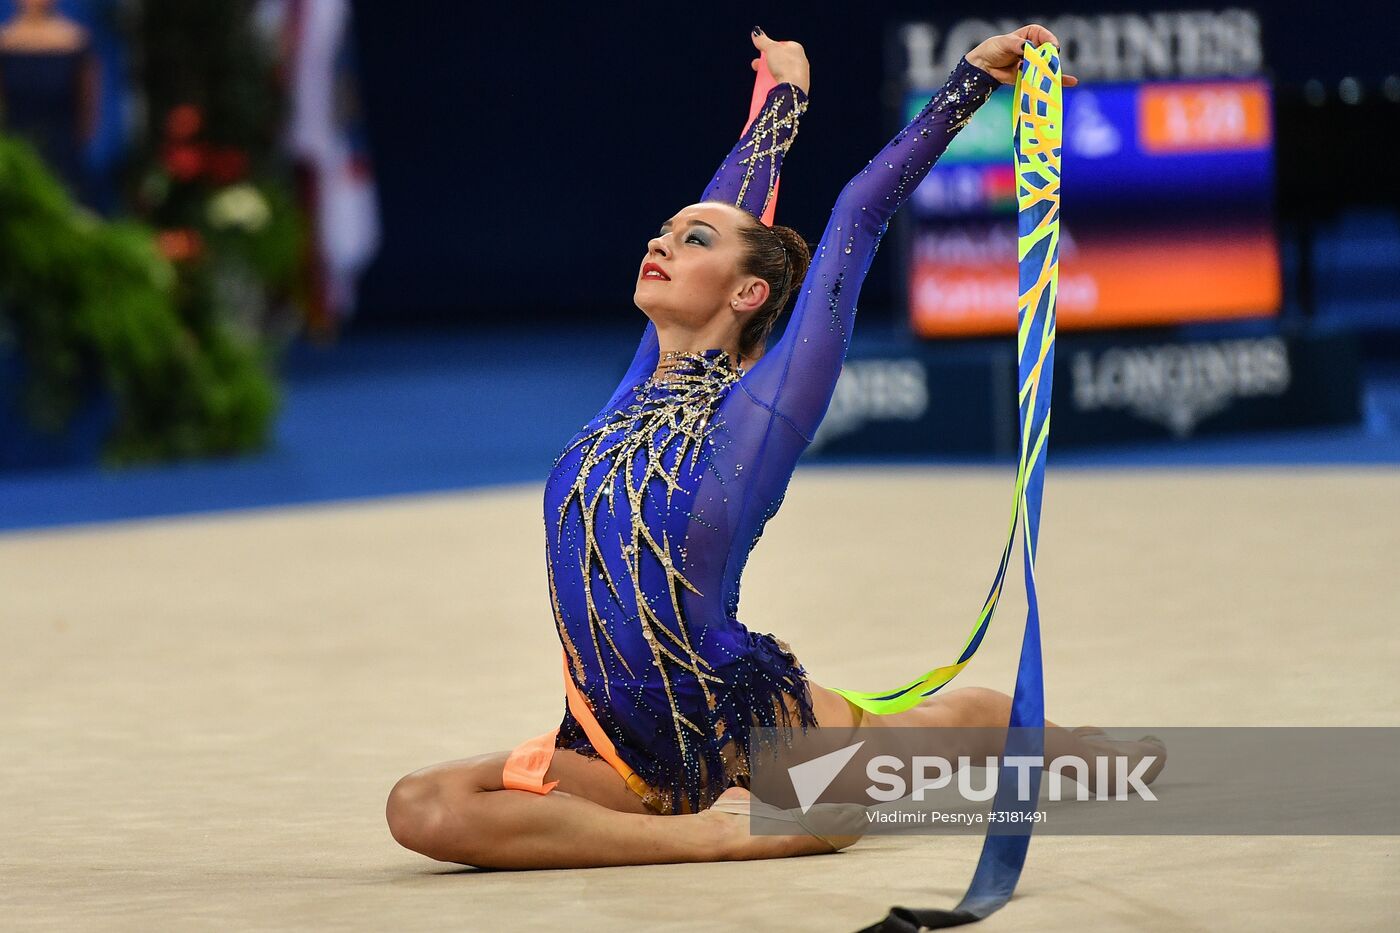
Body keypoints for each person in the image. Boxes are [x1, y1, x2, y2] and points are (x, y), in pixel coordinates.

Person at [386, 25, 1149, 869]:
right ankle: (706, 834)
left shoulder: (759, 413)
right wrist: (783, 100)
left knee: (935, 736)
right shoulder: (633, 394)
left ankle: (1057, 746)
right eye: (664, 232)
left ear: (750, 292)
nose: (660, 243)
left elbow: (860, 210)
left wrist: (967, 83)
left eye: (692, 240)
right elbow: (734, 204)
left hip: (746, 732)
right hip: (613, 753)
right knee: (419, 805)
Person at [0, 0, 98, 203]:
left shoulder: (76, 40)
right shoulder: (5, 43)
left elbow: (87, 108)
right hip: (17, 153)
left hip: (64, 154)